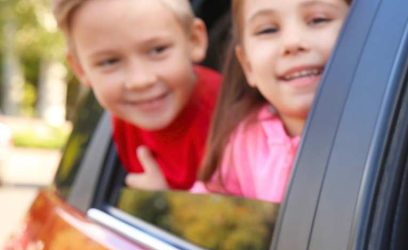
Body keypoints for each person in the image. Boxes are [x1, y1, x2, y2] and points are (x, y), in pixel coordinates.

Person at [55, 0, 221, 191]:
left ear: (194, 40)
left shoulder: (232, 119)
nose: (139, 81)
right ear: (80, 69)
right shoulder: (122, 122)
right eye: (109, 62)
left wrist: (161, 201)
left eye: (158, 50)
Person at [194, 0, 349, 203]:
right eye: (268, 30)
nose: (292, 43)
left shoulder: (388, 134)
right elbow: (210, 206)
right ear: (247, 65)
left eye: (318, 20)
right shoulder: (243, 141)